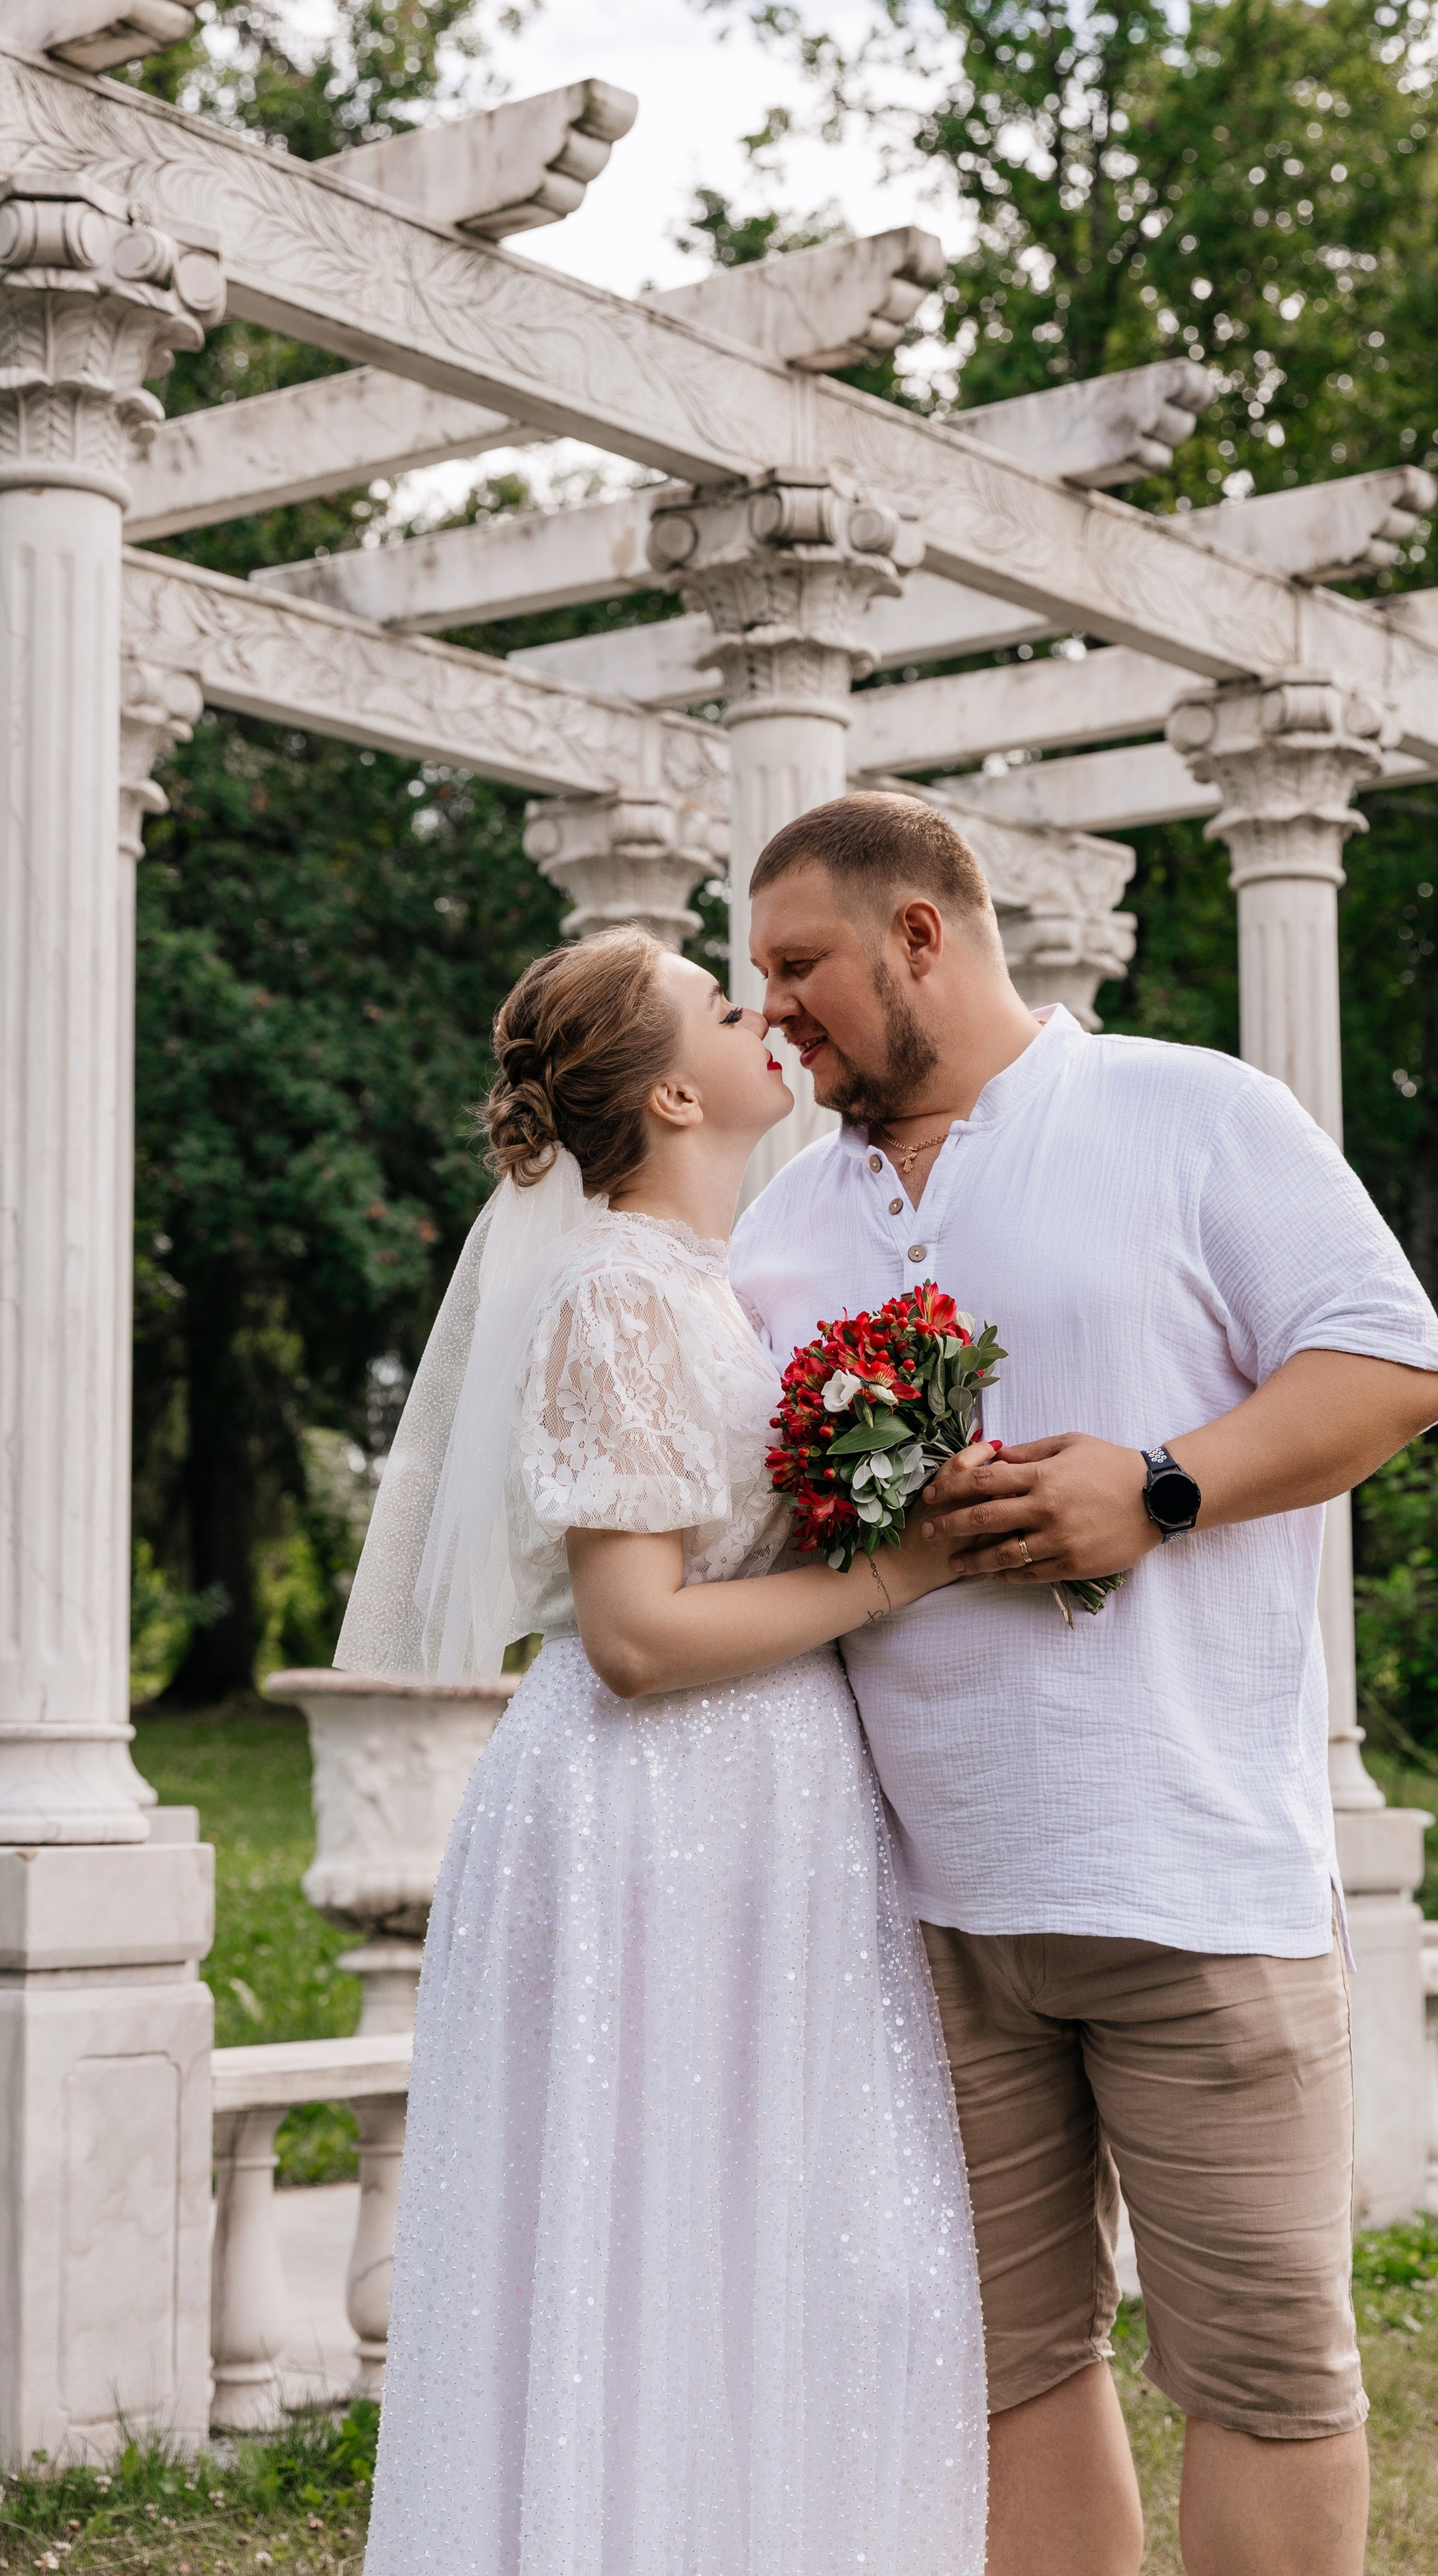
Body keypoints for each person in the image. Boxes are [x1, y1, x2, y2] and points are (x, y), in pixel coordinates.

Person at [729, 790, 1438, 2576]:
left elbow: (1394, 1365)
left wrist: (1156, 1485)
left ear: (923, 932)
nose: (773, 1017)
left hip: (1194, 1883)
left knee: (1267, 2373)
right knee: (1000, 2369)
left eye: (800, 966)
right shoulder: (779, 1234)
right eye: (753, 985)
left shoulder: (1189, 1112)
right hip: (924, 1911)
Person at [337, 927, 988, 2576]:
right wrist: (889, 1570)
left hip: (768, 1806)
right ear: (680, 1090)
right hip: (656, 1809)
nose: (764, 1010)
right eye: (724, 997)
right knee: (652, 2244)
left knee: (792, 2239)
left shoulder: (707, 1288)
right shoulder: (618, 1297)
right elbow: (630, 1639)